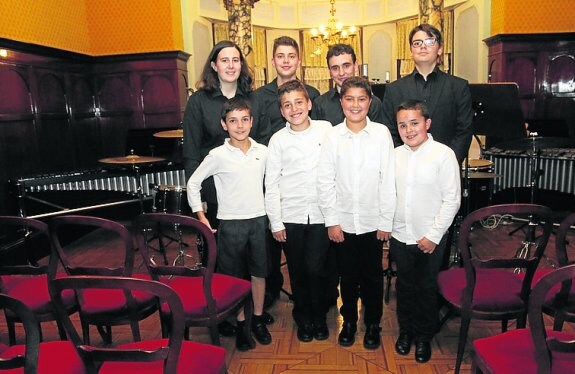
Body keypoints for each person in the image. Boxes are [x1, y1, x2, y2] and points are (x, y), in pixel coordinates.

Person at [182, 40, 273, 334]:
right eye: (225, 60)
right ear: (214, 65)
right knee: (224, 257)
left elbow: (262, 142)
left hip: (249, 186)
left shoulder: (255, 98)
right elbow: (192, 151)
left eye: (236, 60)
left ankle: (257, 309)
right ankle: (227, 311)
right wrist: (201, 204)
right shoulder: (198, 101)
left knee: (257, 255)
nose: (231, 65)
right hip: (214, 186)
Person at [317, 76, 395, 350]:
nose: (355, 104)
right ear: (341, 102)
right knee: (347, 276)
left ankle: (373, 323)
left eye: (361, 99)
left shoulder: (382, 134)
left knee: (373, 276)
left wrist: (386, 221)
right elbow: (325, 180)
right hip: (344, 222)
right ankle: (348, 320)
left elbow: (388, 180)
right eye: (349, 99)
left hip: (374, 222)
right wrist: (332, 221)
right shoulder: (333, 136)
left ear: (370, 102)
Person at [391, 100, 461, 363]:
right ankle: (405, 332)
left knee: (426, 288)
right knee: (405, 286)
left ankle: (423, 337)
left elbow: (452, 200)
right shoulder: (395, 155)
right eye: (402, 125)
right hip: (400, 235)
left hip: (431, 237)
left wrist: (433, 235)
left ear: (427, 123)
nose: (409, 130)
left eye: (414, 123)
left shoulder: (443, 155)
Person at [254, 36, 321, 309]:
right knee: (275, 250)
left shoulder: (313, 94)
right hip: (274, 181)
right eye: (280, 56)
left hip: (311, 194)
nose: (285, 61)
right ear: (273, 60)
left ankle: (318, 302)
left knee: (315, 261)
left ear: (298, 60)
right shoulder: (259, 96)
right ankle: (272, 296)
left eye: (291, 56)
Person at [264, 80, 332, 343]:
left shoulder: (327, 131)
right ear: (282, 111)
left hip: (322, 214)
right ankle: (303, 318)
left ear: (309, 104)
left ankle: (319, 315)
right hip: (290, 215)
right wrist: (275, 222)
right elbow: (271, 183)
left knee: (318, 269)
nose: (294, 109)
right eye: (287, 105)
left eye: (299, 103)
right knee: (298, 270)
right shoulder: (278, 140)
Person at [381, 24, 473, 165]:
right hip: (405, 168)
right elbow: (390, 131)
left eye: (430, 41)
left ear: (440, 49)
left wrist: (448, 162)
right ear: (411, 50)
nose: (423, 46)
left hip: (445, 167)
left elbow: (464, 131)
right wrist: (403, 161)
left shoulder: (458, 87)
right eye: (417, 43)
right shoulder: (394, 89)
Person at [311, 43, 385, 126]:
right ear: (329, 71)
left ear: (355, 66)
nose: (341, 73)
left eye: (346, 66)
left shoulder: (373, 103)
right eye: (335, 68)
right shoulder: (320, 103)